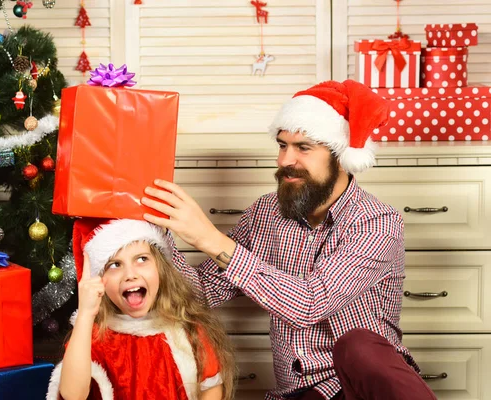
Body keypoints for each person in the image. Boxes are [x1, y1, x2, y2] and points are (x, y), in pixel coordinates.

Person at [140, 80, 437, 400]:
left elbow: (310, 303)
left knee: (358, 345)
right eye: (283, 145)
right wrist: (161, 234)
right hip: (301, 393)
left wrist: (209, 238)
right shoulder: (265, 212)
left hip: (357, 387)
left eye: (303, 148)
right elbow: (202, 294)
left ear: (340, 156)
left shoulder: (377, 223)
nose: (285, 160)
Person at [46, 218, 236, 400]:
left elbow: (211, 390)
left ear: (161, 269)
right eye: (115, 264)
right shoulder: (93, 337)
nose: (130, 274)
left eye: (141, 259)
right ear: (100, 280)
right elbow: (73, 395)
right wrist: (85, 315)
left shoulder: (189, 331)